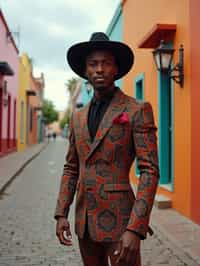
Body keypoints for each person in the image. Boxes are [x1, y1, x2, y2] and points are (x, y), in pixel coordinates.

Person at [54, 32, 159, 266]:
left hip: (122, 221)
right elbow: (71, 167)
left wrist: (135, 228)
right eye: (93, 64)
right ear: (85, 71)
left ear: (116, 69)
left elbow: (150, 171)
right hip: (85, 223)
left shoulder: (136, 110)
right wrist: (61, 213)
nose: (99, 69)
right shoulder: (77, 117)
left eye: (106, 63)